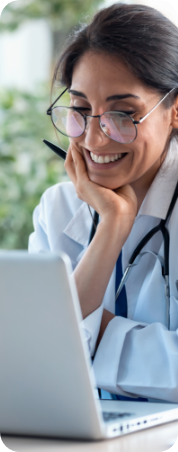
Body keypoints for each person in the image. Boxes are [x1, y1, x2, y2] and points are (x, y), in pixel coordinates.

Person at [29, 3, 178, 403]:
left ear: (175, 109)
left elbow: (56, 347)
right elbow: (34, 361)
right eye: (80, 110)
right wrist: (112, 226)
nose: (94, 140)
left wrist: (92, 337)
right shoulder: (57, 209)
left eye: (123, 114)